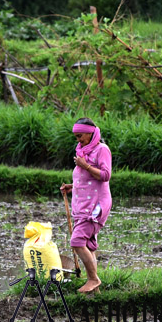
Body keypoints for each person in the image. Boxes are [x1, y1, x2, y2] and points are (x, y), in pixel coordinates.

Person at [60, 118, 112, 294]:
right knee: (88, 245)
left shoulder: (102, 150)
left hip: (95, 206)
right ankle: (95, 293)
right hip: (83, 204)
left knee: (77, 241)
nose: (78, 140)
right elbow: (87, 181)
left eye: (80, 136)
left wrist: (86, 166)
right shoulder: (83, 150)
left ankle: (93, 279)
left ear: (90, 132)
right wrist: (72, 186)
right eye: (76, 137)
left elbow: (105, 175)